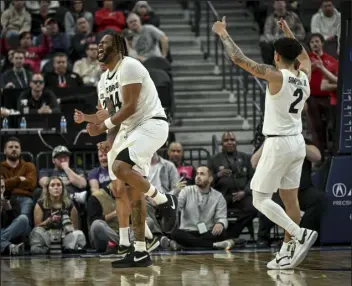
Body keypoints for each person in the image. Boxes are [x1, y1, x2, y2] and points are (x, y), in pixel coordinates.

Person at [213, 17, 317, 269]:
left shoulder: (275, 76)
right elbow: (305, 57)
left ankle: (299, 234)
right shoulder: (304, 75)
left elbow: (239, 59)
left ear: (277, 56)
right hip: (297, 142)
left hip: (278, 143)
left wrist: (223, 34)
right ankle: (286, 250)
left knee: (260, 198)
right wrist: (290, 33)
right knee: (289, 199)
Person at [74, 32, 176, 268]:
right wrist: (109, 139)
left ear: (118, 46)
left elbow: (129, 108)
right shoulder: (102, 81)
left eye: (104, 42)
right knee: (128, 188)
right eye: (98, 43)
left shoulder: (129, 66)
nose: (99, 46)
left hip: (151, 124)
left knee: (121, 168)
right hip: (128, 131)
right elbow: (113, 117)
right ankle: (139, 250)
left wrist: (103, 126)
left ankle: (164, 200)